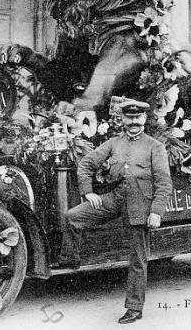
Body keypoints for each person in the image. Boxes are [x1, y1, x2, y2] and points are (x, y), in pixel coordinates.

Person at [56, 99, 172, 324]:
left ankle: (134, 308)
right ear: (123, 120)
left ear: (145, 119)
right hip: (116, 198)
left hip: (140, 203)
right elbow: (87, 164)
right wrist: (88, 192)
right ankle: (70, 259)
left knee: (138, 260)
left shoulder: (154, 147)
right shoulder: (113, 143)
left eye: (137, 118)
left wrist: (156, 211)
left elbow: (164, 182)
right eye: (129, 118)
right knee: (74, 216)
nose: (133, 123)